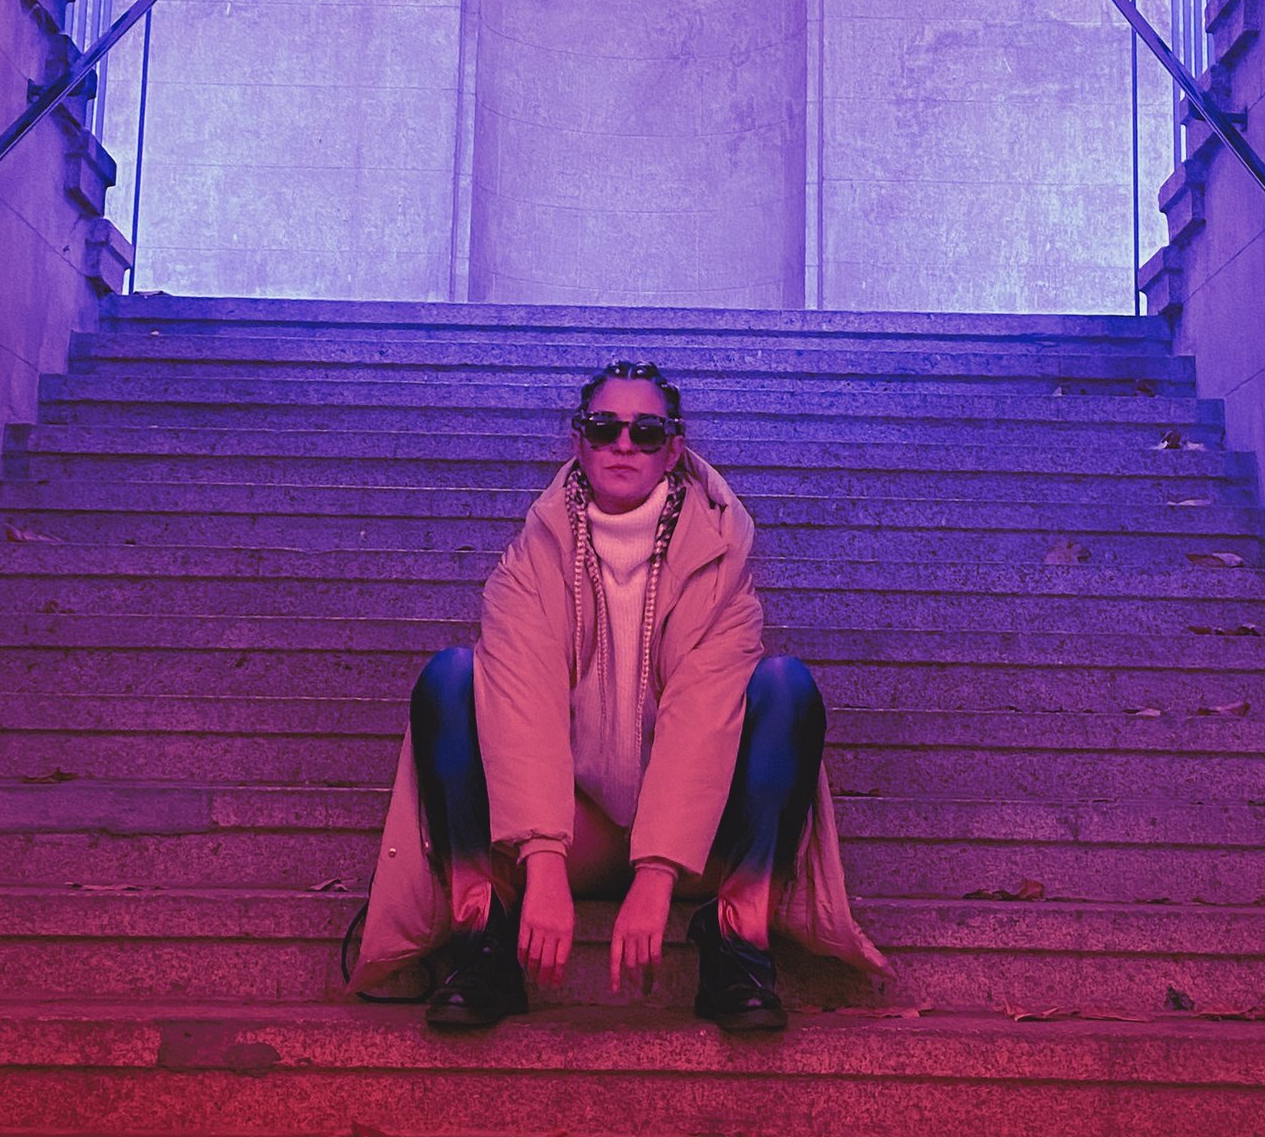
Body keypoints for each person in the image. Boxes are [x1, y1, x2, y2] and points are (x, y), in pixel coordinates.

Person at [345, 362, 884, 1033]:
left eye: (645, 429)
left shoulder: (722, 559)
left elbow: (703, 714)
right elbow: (521, 705)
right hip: (573, 831)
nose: (623, 443)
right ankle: (484, 933)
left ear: (673, 448)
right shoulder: (531, 561)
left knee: (786, 688)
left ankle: (737, 941)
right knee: (452, 678)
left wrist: (657, 875)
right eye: (604, 427)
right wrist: (542, 863)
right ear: (579, 440)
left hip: (698, 842)